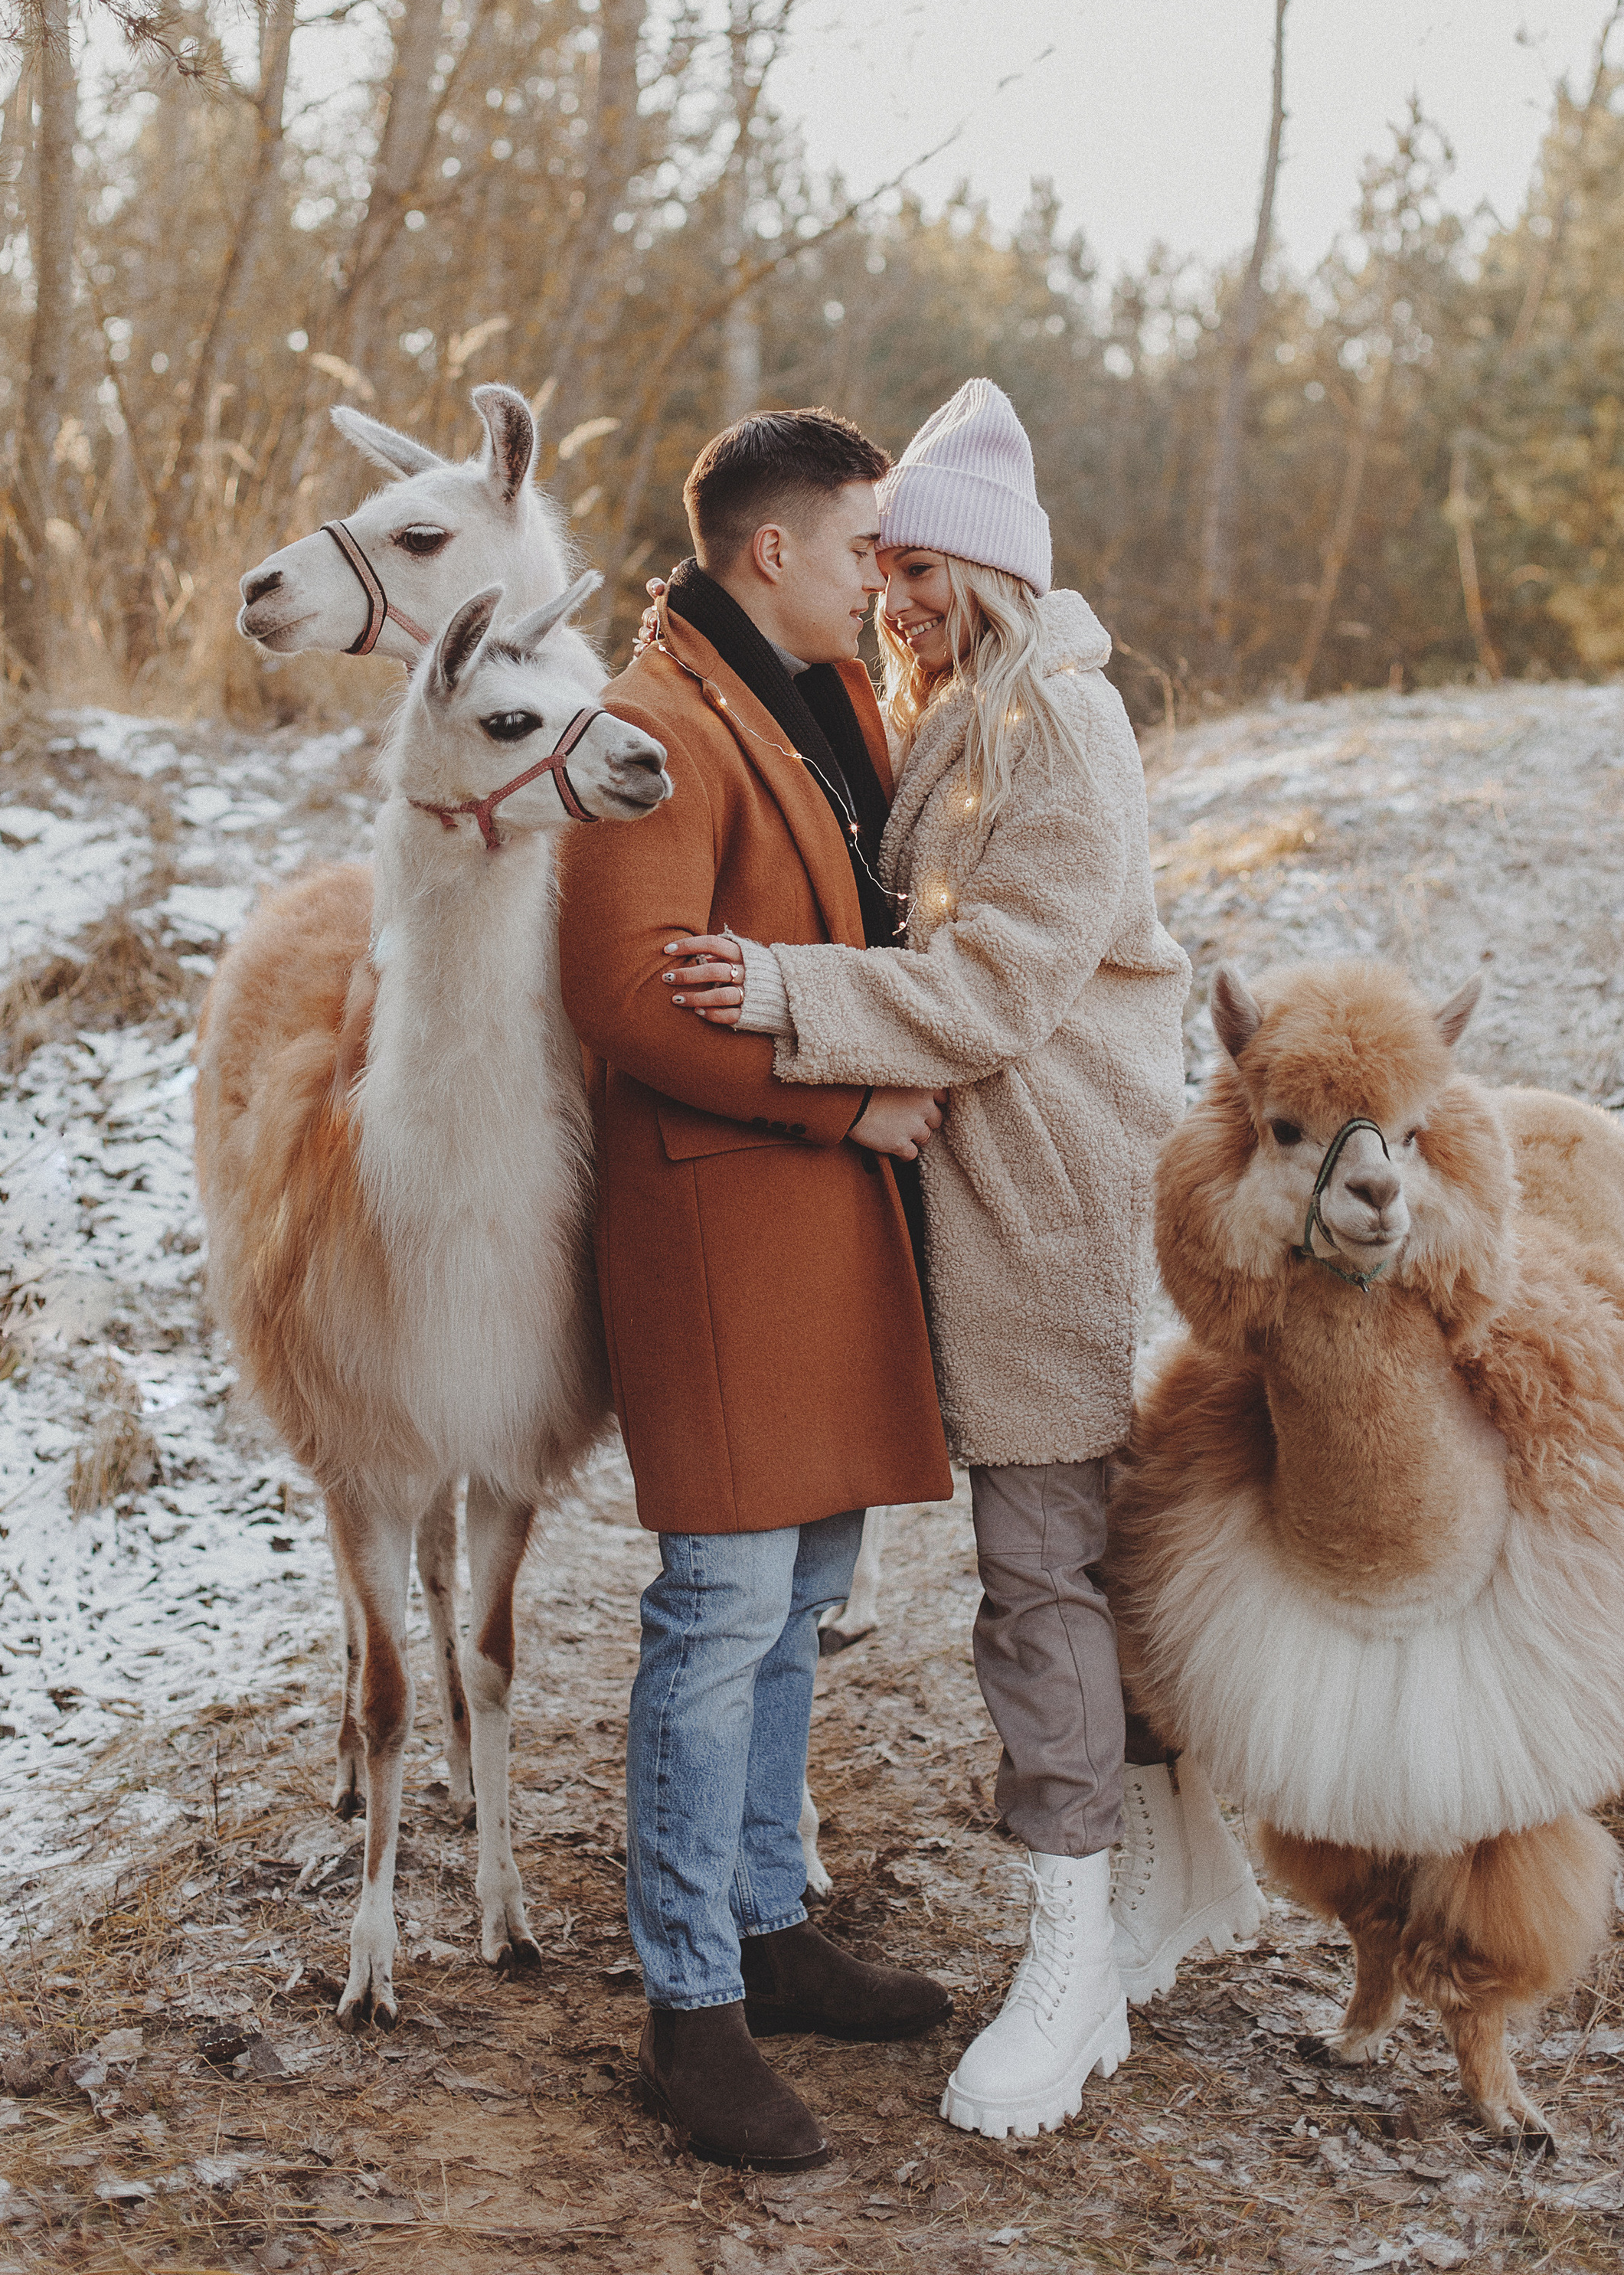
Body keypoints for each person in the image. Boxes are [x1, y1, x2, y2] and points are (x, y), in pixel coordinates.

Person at [663, 378, 1263, 2142]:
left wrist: (776, 992)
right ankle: (1177, 1880)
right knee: (1072, 1555)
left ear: (987, 575)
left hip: (1051, 1201)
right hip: (994, 1188)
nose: (895, 598)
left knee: (1036, 1579)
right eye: (886, 565)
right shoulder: (962, 716)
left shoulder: (1058, 727)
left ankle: (1069, 1953)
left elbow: (995, 990)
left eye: (917, 567)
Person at [557, 409, 956, 2178]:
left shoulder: (828, 697)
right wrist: (851, 1092)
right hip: (725, 1223)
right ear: (768, 550)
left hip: (826, 1230)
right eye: (865, 539)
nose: (884, 570)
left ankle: (771, 1925)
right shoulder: (649, 726)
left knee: (799, 1593)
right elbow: (631, 1001)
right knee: (716, 1608)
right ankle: (687, 2009)